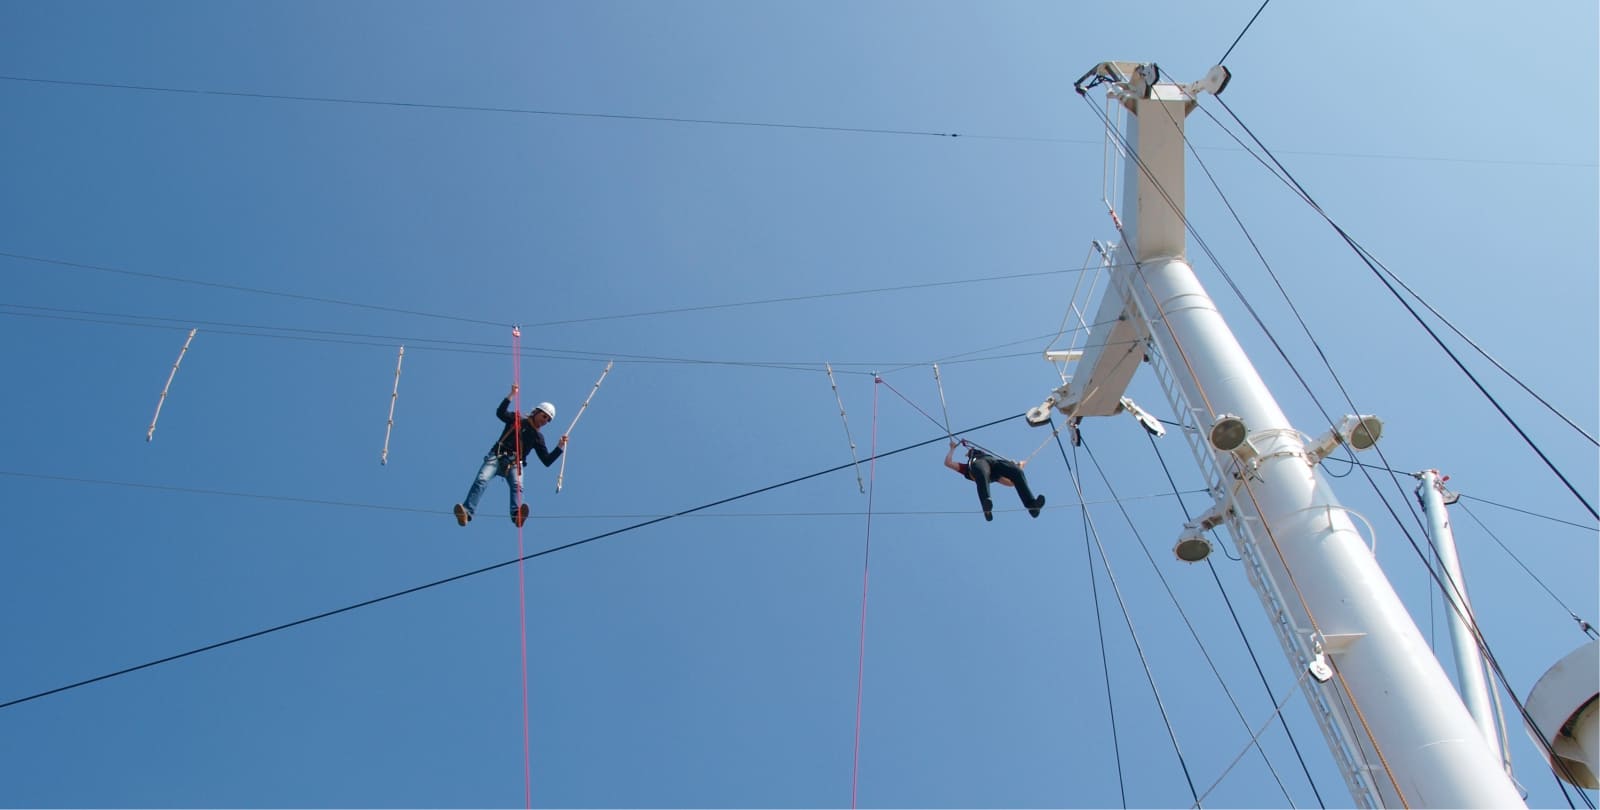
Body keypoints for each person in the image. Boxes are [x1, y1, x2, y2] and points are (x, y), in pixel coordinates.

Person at [454, 384, 567, 528]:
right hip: (497, 456)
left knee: (517, 486)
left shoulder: (538, 437)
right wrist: (511, 395)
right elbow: (500, 413)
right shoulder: (516, 419)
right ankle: (466, 512)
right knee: (481, 480)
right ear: (537, 412)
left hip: (514, 464)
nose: (545, 421)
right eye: (544, 416)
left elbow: (546, 460)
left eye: (548, 420)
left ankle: (517, 516)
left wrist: (559, 446)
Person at [945, 440, 1045, 521]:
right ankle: (986, 504)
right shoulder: (967, 467)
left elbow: (1011, 483)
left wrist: (1019, 467)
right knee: (982, 471)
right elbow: (948, 463)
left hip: (994, 464)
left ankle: (1032, 506)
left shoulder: (994, 470)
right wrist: (952, 449)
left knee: (1016, 472)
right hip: (980, 467)